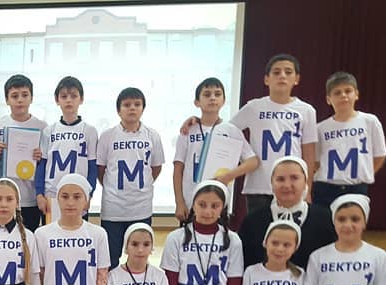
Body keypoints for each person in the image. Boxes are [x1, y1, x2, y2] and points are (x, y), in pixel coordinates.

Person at [228, 54, 317, 215]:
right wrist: (197, 121)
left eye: (288, 72)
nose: (282, 75)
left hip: (292, 187)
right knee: (258, 230)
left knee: (290, 230)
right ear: (266, 79)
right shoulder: (254, 107)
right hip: (258, 186)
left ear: (296, 79)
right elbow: (227, 131)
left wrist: (307, 188)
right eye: (276, 72)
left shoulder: (306, 110)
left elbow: (309, 153)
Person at [173, 78, 258, 222]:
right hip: (190, 202)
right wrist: (179, 202)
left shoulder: (232, 130)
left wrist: (229, 175)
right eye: (207, 94)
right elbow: (178, 169)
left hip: (219, 203)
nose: (212, 98)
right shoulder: (188, 130)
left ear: (224, 101)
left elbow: (253, 161)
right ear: (197, 102)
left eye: (217, 94)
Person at [97, 87, 164, 267]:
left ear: (143, 108)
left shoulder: (153, 136)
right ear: (118, 110)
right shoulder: (107, 136)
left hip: (141, 208)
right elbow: (101, 170)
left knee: (138, 257)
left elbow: (155, 168)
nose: (132, 108)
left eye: (137, 104)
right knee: (111, 258)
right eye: (127, 105)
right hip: (113, 209)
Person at [238, 156, 336, 269]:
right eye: (280, 179)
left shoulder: (325, 218)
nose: (287, 185)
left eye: (294, 178)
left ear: (305, 181)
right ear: (271, 183)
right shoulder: (253, 220)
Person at [311, 72, 386, 208]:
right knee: (324, 221)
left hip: (356, 188)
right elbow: (316, 162)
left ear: (356, 94)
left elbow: (380, 155)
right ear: (328, 99)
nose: (343, 95)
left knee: (353, 222)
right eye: (337, 92)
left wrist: (363, 173)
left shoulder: (370, 121)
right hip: (326, 189)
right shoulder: (320, 128)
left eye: (348, 91)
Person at [35, 76, 98, 225]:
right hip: (52, 195)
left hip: (79, 195)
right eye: (64, 96)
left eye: (74, 96)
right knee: (52, 236)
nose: (69, 100)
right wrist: (39, 194)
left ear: (81, 99)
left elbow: (92, 167)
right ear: (57, 100)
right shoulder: (49, 131)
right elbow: (42, 165)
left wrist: (89, 194)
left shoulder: (89, 131)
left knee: (77, 235)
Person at [0, 74, 47, 231]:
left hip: (31, 197)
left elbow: (47, 164)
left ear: (31, 98)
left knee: (29, 240)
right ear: (7, 100)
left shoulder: (42, 127)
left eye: (24, 95)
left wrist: (40, 157)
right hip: (5, 198)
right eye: (14, 96)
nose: (20, 100)